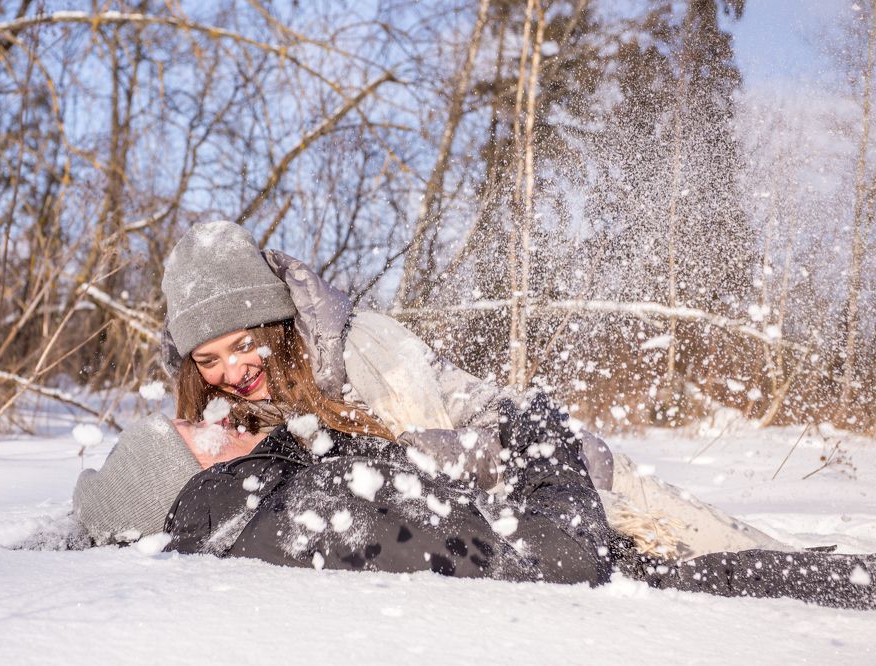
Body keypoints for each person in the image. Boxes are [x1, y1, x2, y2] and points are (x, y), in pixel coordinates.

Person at [71, 221, 876, 609]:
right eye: (206, 361)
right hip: (515, 515)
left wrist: (539, 485)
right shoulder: (243, 410)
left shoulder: (366, 354)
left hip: (547, 471)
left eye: (241, 344)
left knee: (736, 551)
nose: (228, 374)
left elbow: (441, 464)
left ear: (275, 323)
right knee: (709, 580)